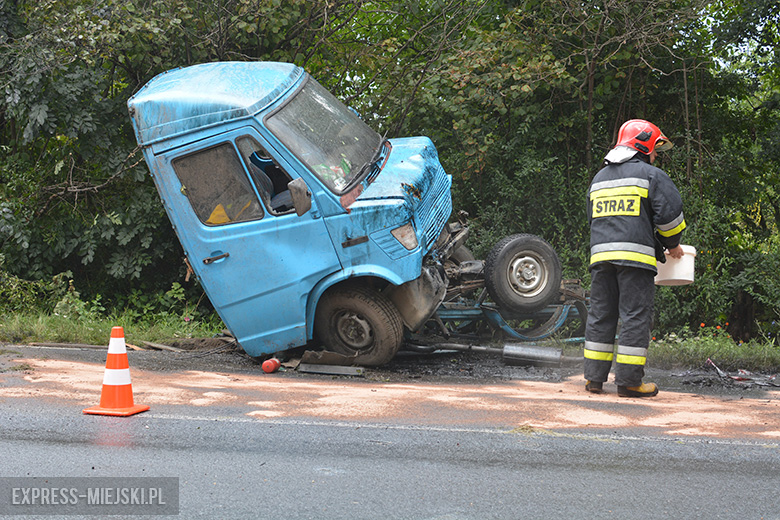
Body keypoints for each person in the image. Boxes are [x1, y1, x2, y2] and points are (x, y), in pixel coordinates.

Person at [584, 119, 686, 397]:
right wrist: (672, 245)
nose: (655, 156)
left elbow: (596, 219)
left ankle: (594, 379)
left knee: (601, 315)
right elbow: (670, 218)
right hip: (634, 260)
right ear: (644, 146)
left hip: (601, 259)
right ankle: (629, 382)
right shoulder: (651, 175)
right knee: (634, 317)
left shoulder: (599, 178)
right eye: (655, 149)